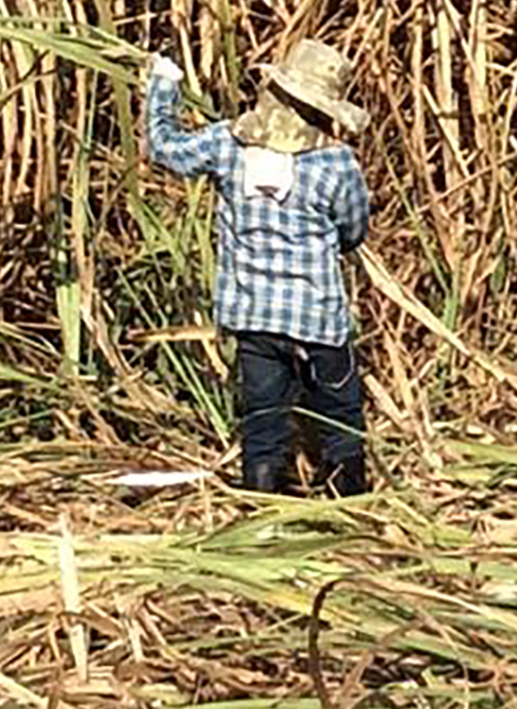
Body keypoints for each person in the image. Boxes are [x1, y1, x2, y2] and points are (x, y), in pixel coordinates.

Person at [143, 37, 375, 494]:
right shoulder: (336, 164)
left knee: (263, 423)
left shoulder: (227, 146)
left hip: (254, 318)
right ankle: (349, 509)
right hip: (320, 320)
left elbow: (165, 148)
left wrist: (164, 85)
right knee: (341, 417)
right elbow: (354, 231)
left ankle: (258, 513)